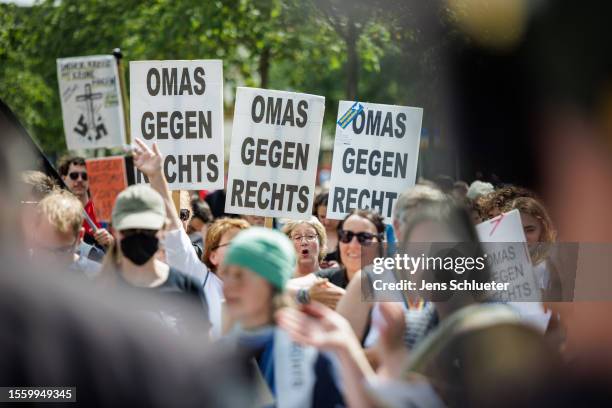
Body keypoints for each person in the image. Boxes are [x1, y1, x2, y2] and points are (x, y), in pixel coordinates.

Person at [131, 138, 248, 339]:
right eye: (234, 244)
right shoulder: (196, 276)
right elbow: (175, 231)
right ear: (213, 256)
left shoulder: (255, 292)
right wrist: (157, 176)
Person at [221, 227, 345, 407]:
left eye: (240, 275)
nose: (229, 286)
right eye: (226, 274)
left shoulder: (311, 352)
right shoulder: (220, 350)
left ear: (270, 282)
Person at [99, 183, 211, 338]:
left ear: (164, 229)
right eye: (130, 230)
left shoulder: (187, 289)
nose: (139, 236)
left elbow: (204, 353)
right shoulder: (97, 292)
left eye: (148, 230)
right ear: (114, 230)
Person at [26, 189, 101, 278]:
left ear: (79, 236)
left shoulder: (99, 278)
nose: (51, 260)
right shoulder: (16, 270)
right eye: (43, 248)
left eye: (61, 251)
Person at [57, 156, 114, 250]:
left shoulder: (104, 209)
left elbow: (122, 249)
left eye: (85, 176)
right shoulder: (55, 212)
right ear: (63, 178)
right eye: (74, 175)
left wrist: (110, 240)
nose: (80, 179)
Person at [313, 192, 340, 265]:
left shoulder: (349, 236)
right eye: (322, 217)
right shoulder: (310, 234)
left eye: (332, 217)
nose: (327, 222)